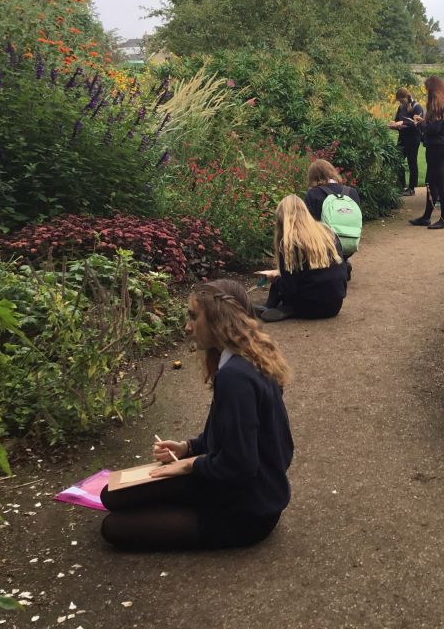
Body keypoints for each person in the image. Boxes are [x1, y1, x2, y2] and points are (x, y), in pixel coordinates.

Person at [99, 279, 293, 551]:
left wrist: (190, 465)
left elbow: (241, 464)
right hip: (244, 490)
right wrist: (189, 447)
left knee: (114, 527)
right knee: (111, 495)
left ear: (218, 318)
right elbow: (237, 436)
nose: (187, 327)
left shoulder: (235, 377)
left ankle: (191, 504)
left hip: (245, 514)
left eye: (193, 316)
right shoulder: (248, 360)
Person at [258, 195, 348, 322]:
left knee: (278, 283)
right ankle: (280, 308)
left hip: (308, 306)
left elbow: (289, 288)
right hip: (335, 305)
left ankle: (275, 307)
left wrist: (275, 278)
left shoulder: (290, 243)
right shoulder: (327, 233)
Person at [409, 76, 444, 230]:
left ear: (432, 89)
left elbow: (433, 129)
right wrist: (424, 122)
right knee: (432, 182)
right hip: (443, 146)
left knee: (440, 183)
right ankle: (427, 216)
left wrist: (420, 124)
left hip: (437, 148)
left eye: (427, 88)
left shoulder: (436, 104)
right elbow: (439, 126)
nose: (426, 91)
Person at [387, 88, 423, 196]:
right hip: (402, 138)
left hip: (413, 138)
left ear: (406, 98)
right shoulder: (401, 107)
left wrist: (403, 123)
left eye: (401, 101)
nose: (401, 103)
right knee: (398, 161)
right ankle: (401, 185)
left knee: (412, 162)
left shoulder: (417, 107)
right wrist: (394, 125)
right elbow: (397, 120)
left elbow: (417, 123)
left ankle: (412, 187)